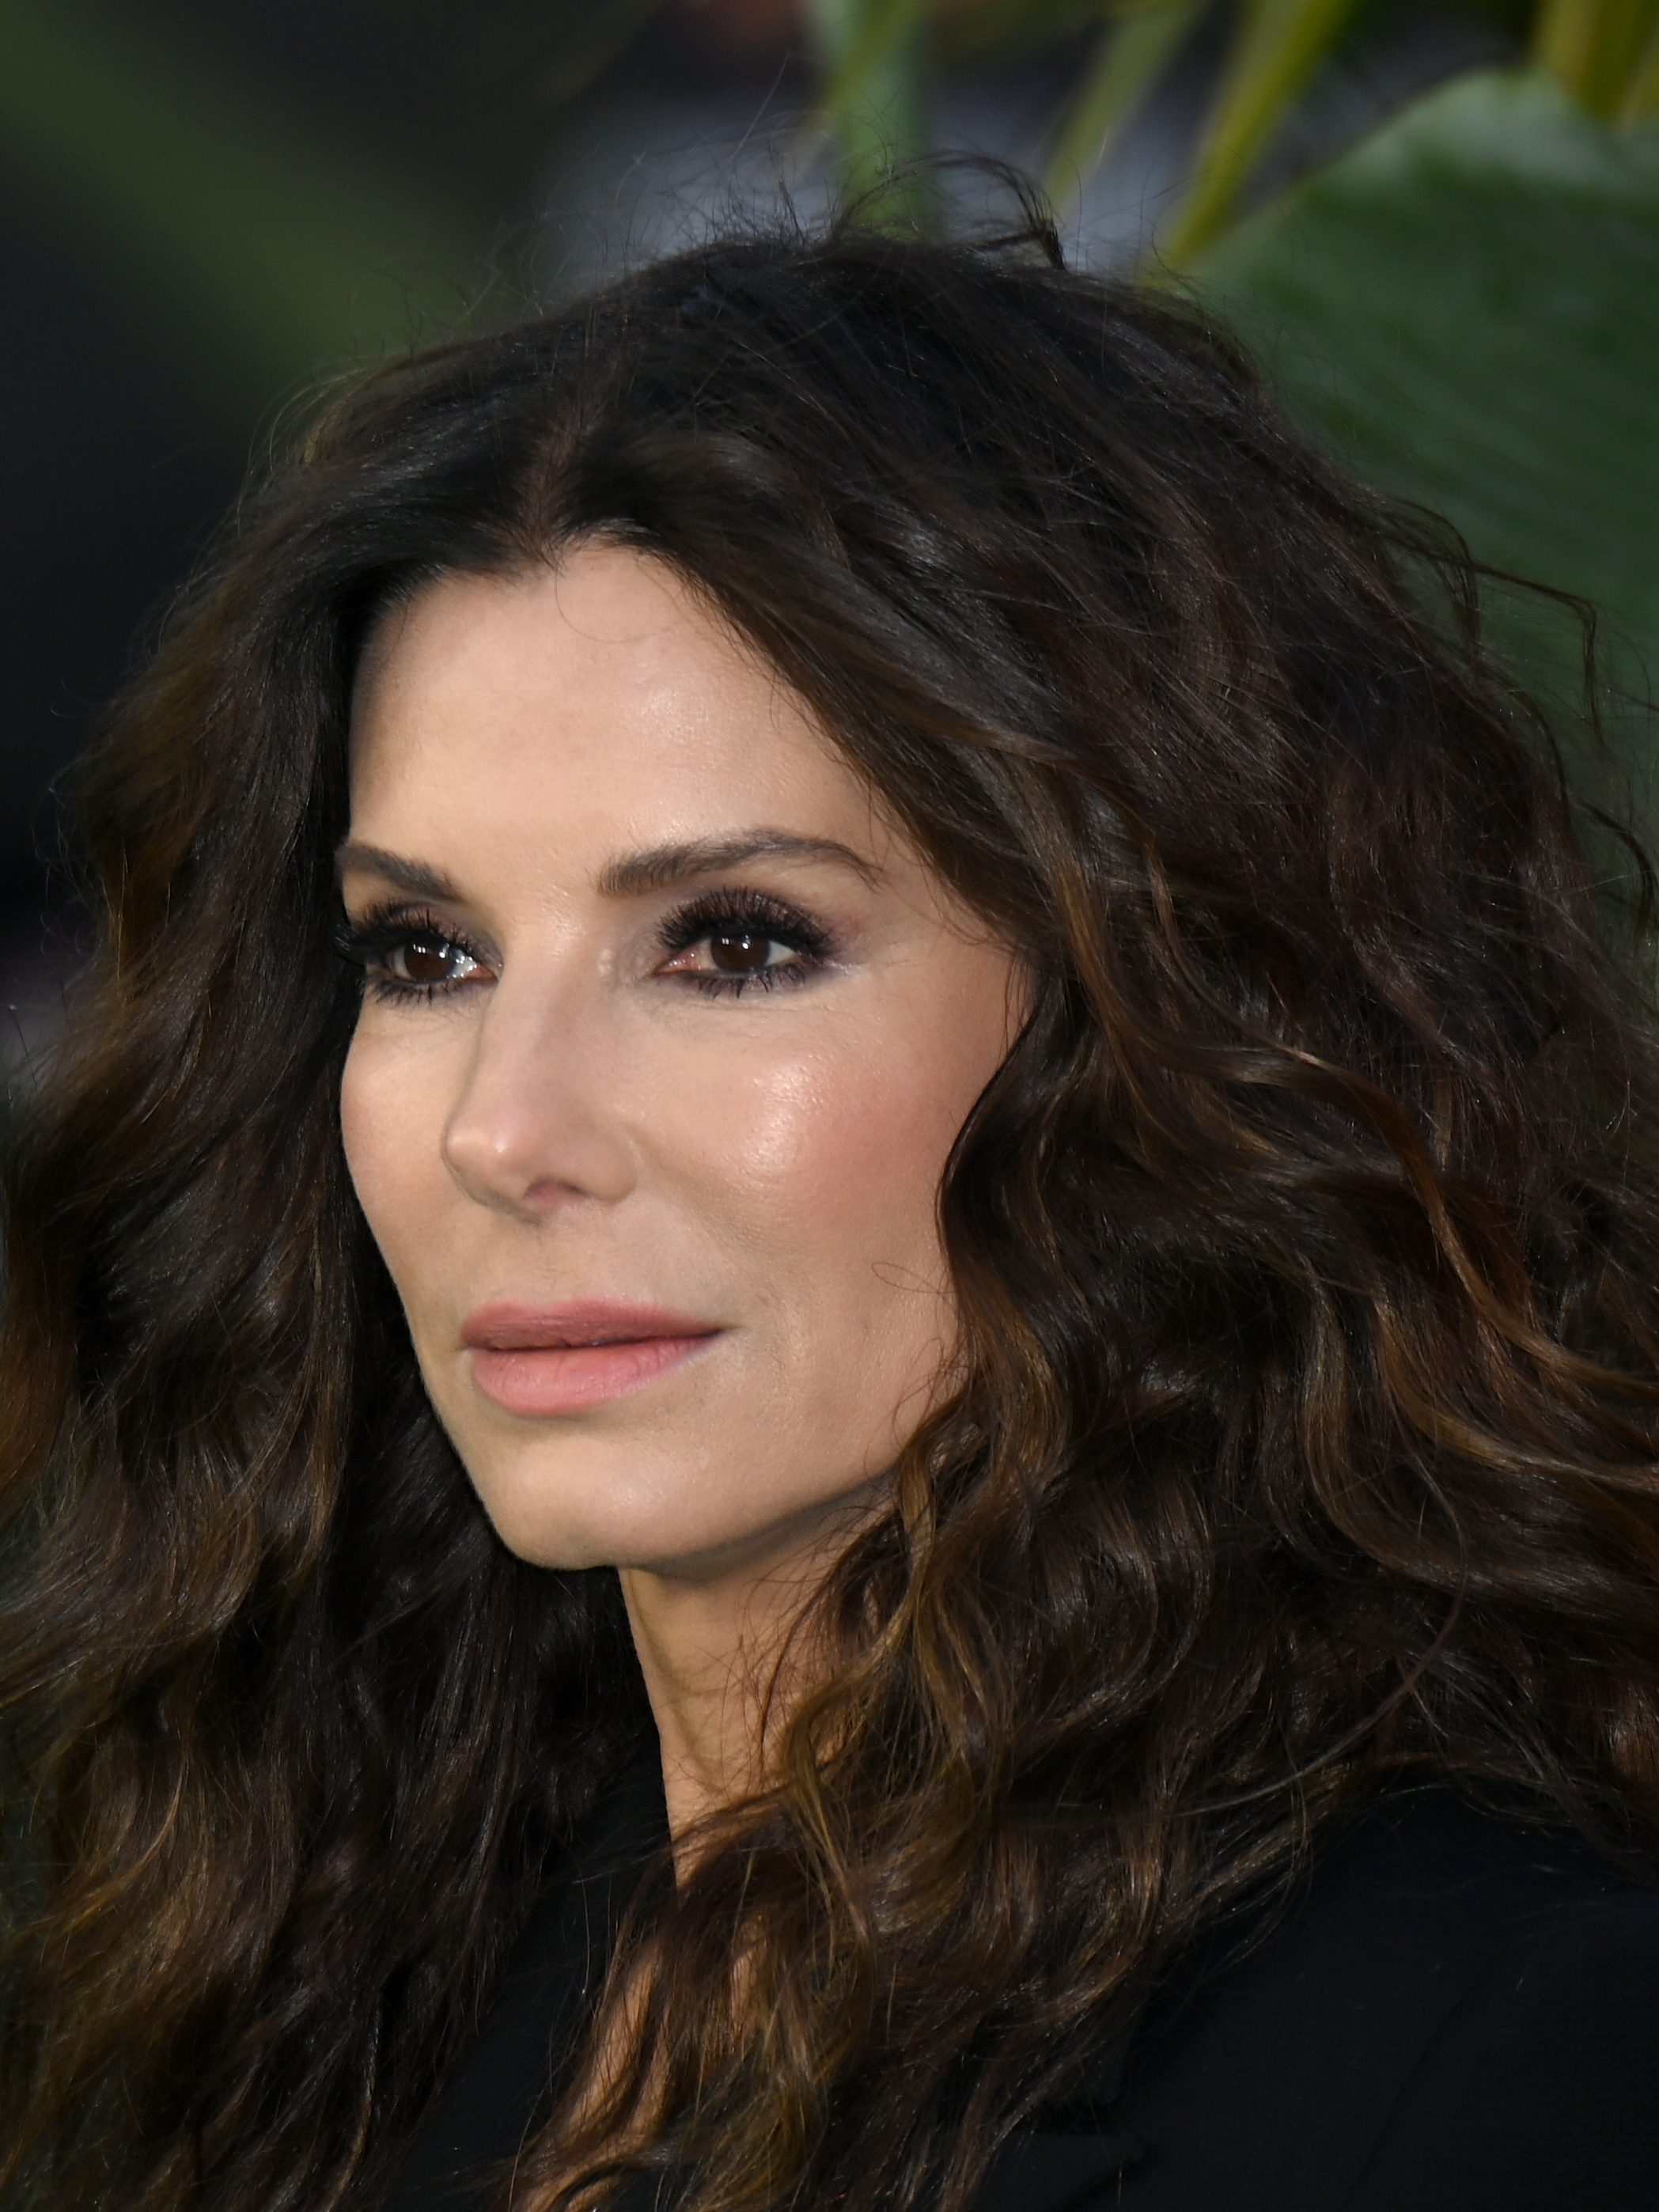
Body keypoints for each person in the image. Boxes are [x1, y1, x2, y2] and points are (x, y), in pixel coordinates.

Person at [5, 180, 1659, 2212]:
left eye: (734, 943)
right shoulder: (323, 1945)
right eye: (423, 954)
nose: (503, 1131)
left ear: (1168, 1013)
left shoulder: (1503, 2061)